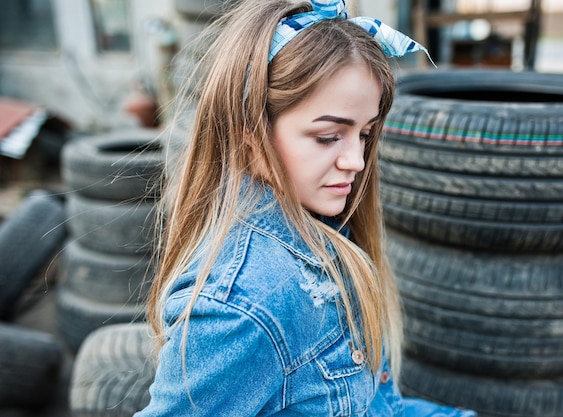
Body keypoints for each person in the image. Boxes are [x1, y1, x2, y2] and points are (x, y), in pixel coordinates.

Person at [135, 0, 476, 415]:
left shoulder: (325, 231)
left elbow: (377, 406)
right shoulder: (242, 306)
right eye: (329, 136)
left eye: (365, 134)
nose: (357, 161)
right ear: (250, 138)